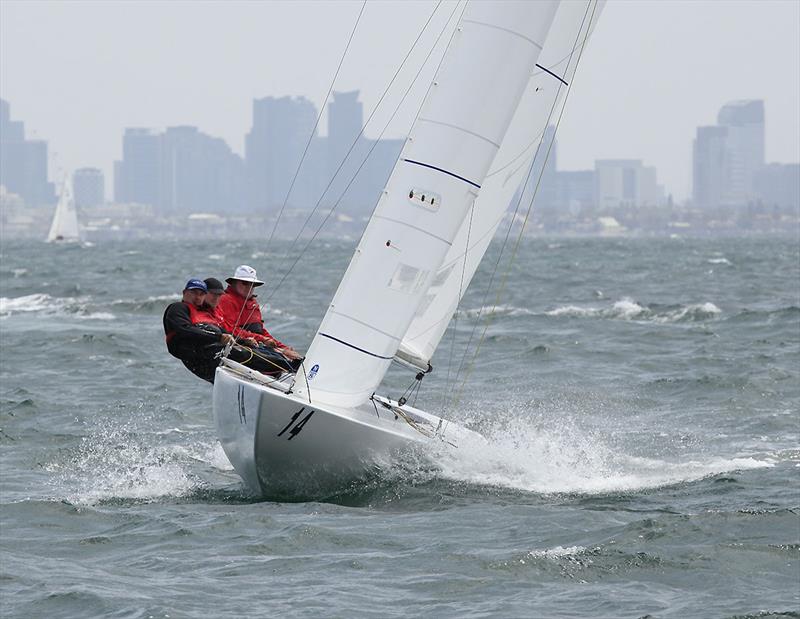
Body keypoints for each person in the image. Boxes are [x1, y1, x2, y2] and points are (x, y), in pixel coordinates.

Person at [163, 278, 293, 383]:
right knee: (243, 354)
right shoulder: (178, 308)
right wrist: (218, 337)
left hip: (211, 352)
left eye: (201, 293)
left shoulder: (206, 314)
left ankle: (288, 371)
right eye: (193, 293)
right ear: (184, 292)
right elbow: (184, 329)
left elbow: (225, 332)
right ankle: (291, 368)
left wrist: (244, 341)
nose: (197, 297)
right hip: (197, 356)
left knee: (258, 350)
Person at [217, 265, 302, 362]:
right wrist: (263, 340)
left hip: (258, 346)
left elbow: (260, 331)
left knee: (294, 360)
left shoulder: (252, 303)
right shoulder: (226, 300)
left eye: (252, 284)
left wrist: (283, 348)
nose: (249, 287)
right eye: (245, 283)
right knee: (281, 361)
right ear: (234, 283)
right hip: (241, 347)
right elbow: (229, 329)